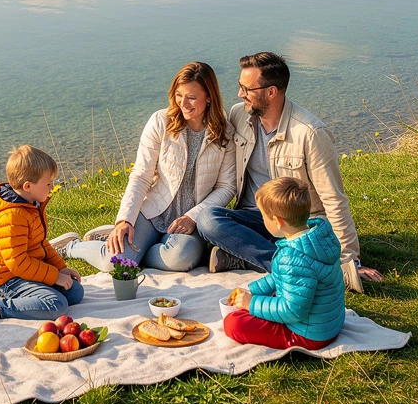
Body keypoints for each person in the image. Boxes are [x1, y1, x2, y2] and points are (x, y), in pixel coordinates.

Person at [196, 51, 382, 292]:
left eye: (247, 89)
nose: (240, 94)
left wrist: (349, 260)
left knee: (298, 240)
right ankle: (299, 268)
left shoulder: (310, 133)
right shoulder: (238, 115)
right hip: (255, 218)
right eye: (240, 86)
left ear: (271, 92)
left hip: (298, 226)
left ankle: (250, 258)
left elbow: (334, 199)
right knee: (208, 219)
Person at [62, 62, 237, 272]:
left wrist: (193, 216)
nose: (183, 103)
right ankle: (72, 247)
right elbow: (141, 176)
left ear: (209, 96)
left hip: (189, 222)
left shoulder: (225, 132)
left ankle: (138, 252)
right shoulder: (161, 121)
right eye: (179, 95)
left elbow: (226, 187)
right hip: (153, 212)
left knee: (181, 258)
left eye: (192, 97)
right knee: (115, 263)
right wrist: (124, 220)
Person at [0, 145, 84, 327]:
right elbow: (17, 263)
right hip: (7, 279)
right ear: (28, 186)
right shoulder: (11, 217)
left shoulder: (32, 205)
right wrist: (53, 276)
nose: (52, 187)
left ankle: (27, 298)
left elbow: (41, 243)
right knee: (56, 305)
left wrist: (60, 268)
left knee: (75, 292)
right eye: (48, 183)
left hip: (25, 271)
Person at [224, 177, 345, 350]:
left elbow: (293, 310)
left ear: (278, 221)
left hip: (308, 334)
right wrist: (253, 291)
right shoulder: (316, 238)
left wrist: (251, 303)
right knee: (246, 308)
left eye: (263, 216)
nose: (262, 220)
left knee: (234, 323)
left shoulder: (292, 257)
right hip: (328, 324)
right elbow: (280, 276)